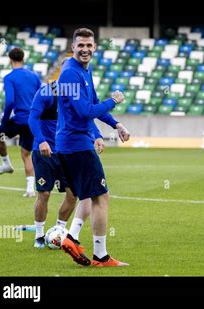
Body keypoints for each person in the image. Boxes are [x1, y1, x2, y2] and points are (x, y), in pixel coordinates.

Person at [28, 78, 130, 249]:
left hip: (66, 150)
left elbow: (88, 115)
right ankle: (39, 235)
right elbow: (32, 118)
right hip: (44, 150)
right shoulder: (46, 92)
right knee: (44, 194)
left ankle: (61, 231)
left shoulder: (77, 93)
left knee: (72, 194)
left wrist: (102, 132)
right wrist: (40, 140)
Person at [56, 28, 129, 266]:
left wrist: (115, 124)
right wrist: (114, 101)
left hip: (74, 143)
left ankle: (72, 238)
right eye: (81, 45)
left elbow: (93, 105)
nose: (85, 49)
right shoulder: (70, 74)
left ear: (95, 47)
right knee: (101, 197)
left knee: (87, 195)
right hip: (76, 145)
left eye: (89, 45)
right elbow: (85, 112)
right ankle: (101, 256)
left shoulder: (84, 70)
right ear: (73, 47)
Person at [0, 47, 41, 197]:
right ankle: (30, 190)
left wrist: (3, 122)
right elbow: (41, 97)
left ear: (10, 59)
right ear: (23, 58)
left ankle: (6, 163)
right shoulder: (34, 76)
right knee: (26, 154)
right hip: (33, 120)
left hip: (19, 120)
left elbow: (10, 102)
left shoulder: (9, 77)